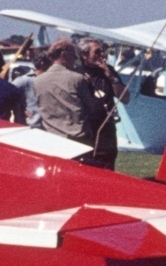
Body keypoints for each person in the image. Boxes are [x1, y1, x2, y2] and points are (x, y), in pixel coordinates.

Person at [32, 40, 105, 162]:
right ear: (63, 55)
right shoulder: (77, 79)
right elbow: (92, 108)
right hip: (76, 139)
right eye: (73, 55)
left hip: (50, 138)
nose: (75, 58)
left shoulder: (37, 81)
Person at [79, 39, 128, 171]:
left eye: (103, 51)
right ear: (84, 55)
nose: (102, 55)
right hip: (85, 130)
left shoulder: (109, 72)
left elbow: (125, 98)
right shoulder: (77, 73)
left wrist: (111, 77)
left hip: (106, 131)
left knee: (106, 166)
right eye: (97, 52)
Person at [12, 48, 51, 129]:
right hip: (31, 127)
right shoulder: (24, 81)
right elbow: (8, 94)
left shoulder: (52, 81)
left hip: (49, 128)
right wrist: (21, 108)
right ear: (42, 64)